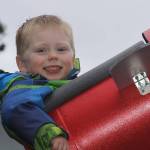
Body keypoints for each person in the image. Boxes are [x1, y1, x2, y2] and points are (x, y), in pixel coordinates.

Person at [0, 15, 80, 150]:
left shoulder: (79, 84)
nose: (53, 56)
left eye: (61, 49)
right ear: (22, 64)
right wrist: (49, 134)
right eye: (41, 50)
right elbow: (16, 107)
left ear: (72, 58)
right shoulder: (26, 87)